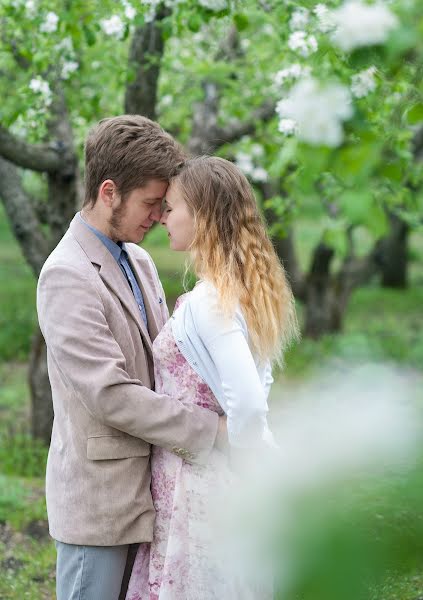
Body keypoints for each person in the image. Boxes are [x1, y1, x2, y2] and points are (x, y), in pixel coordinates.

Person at [36, 116, 228, 600]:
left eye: (164, 205)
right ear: (108, 192)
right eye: (149, 203)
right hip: (100, 504)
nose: (159, 216)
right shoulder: (66, 274)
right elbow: (111, 396)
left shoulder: (138, 259)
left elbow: (166, 363)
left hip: (156, 493)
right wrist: (213, 434)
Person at [126, 156, 299, 599]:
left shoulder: (210, 302)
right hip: (200, 476)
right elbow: (259, 383)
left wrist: (242, 458)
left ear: (201, 216)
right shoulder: (236, 292)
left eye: (172, 206)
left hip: (199, 484)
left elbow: (248, 399)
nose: (164, 217)